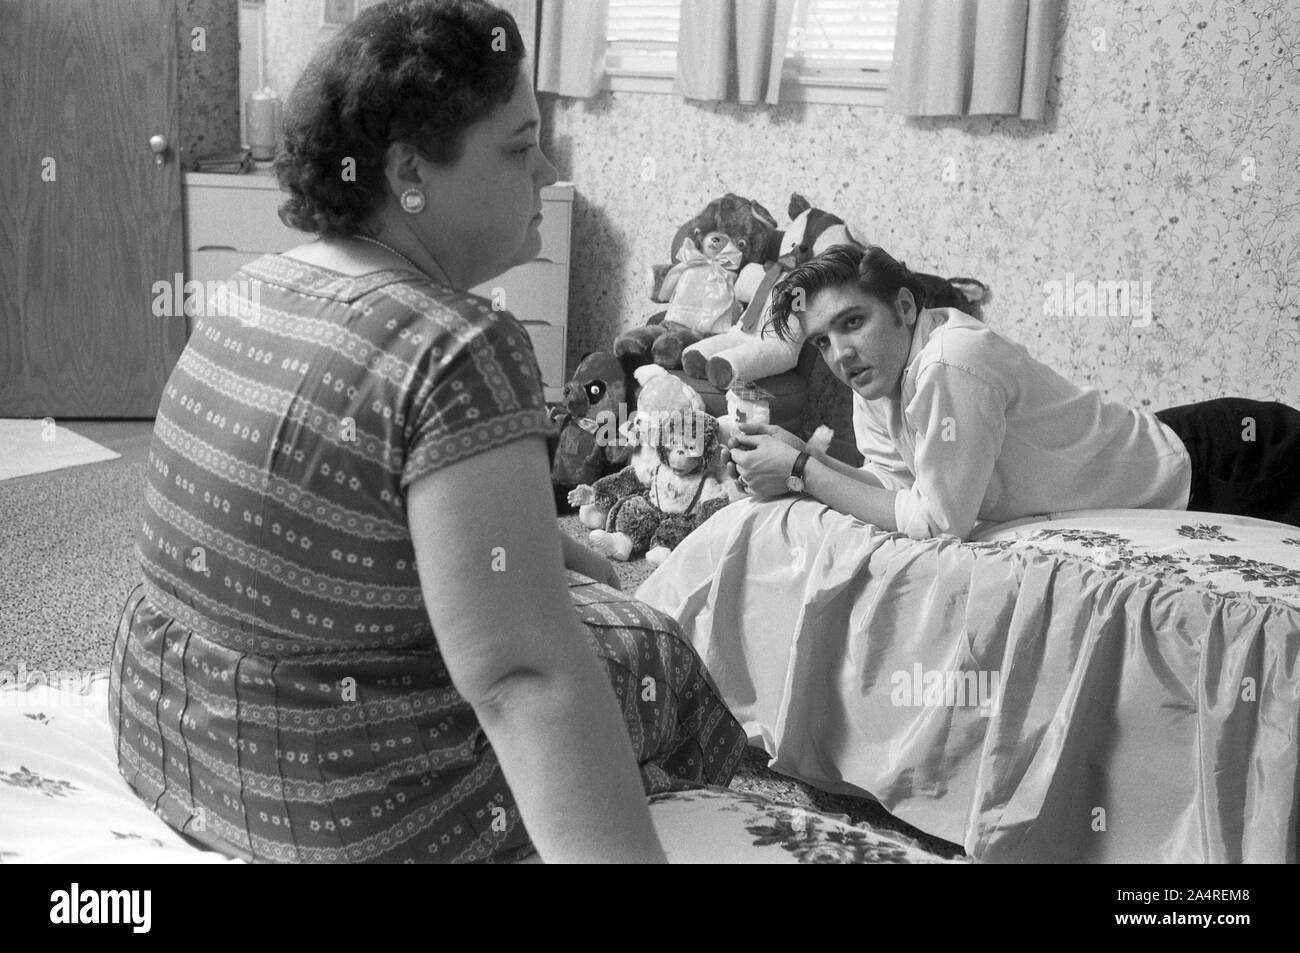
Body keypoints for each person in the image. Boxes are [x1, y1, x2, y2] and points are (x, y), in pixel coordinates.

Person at [108, 0, 744, 864]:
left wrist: (585, 566)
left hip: (174, 738)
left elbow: (381, 523)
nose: (550, 170)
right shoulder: (457, 345)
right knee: (648, 646)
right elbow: (520, 677)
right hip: (343, 800)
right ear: (411, 171)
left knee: (596, 598)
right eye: (519, 148)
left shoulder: (259, 285)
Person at [725, 243, 1300, 539]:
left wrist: (803, 473)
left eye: (852, 323)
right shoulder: (872, 371)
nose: (839, 353)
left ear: (903, 307)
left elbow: (938, 524)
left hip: (1233, 458)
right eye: (821, 341)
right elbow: (897, 489)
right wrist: (799, 454)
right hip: (1175, 445)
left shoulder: (953, 360)